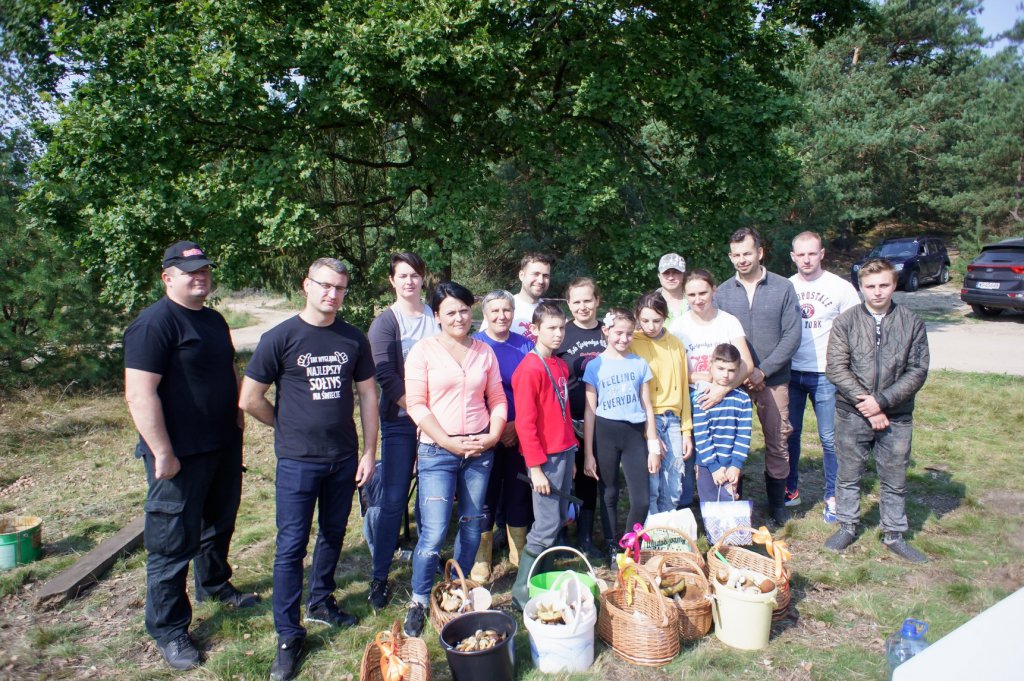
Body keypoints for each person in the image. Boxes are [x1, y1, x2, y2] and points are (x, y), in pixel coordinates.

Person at [238, 258, 378, 681]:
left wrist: (370, 451)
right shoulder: (280, 337)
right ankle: (288, 634)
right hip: (298, 461)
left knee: (334, 534)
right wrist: (283, 422)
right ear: (307, 286)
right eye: (324, 285)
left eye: (339, 288)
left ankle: (321, 601)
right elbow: (250, 398)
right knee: (290, 546)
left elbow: (368, 395)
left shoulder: (353, 338)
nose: (331, 294)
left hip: (343, 458)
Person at [124, 241, 256, 672]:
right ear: (167, 277)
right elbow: (139, 393)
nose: (200, 277)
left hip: (221, 445)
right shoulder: (154, 324)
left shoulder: (215, 320)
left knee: (219, 524)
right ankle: (168, 628)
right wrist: (162, 450)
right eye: (189, 271)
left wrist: (238, 416)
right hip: (178, 455)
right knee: (171, 543)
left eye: (204, 270)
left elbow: (228, 370)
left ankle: (215, 585)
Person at [401, 281, 508, 637]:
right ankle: (418, 599)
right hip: (437, 450)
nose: (459, 317)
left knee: (473, 523)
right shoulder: (423, 352)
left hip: (479, 450)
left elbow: (497, 398)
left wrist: (493, 434)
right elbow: (416, 403)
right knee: (432, 531)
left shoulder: (483, 352)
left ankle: (456, 588)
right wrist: (447, 441)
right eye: (450, 311)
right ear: (437, 316)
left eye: (464, 309)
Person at [824, 258, 930, 563]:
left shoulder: (911, 322)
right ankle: (847, 524)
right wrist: (867, 403)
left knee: (894, 474)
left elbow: (918, 369)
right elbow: (836, 367)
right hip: (853, 412)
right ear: (861, 288)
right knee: (848, 473)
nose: (877, 292)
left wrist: (882, 401)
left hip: (896, 413)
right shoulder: (846, 322)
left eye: (884, 285)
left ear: (894, 285)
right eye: (870, 286)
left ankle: (894, 533)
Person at [366, 252, 438, 610]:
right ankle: (379, 576)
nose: (409, 281)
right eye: (402, 275)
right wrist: (417, 409)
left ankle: (427, 565)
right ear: (392, 281)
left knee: (431, 495)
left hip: (437, 422)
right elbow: (384, 374)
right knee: (394, 498)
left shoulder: (434, 315)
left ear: (423, 278)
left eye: (415, 274)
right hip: (400, 421)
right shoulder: (386, 323)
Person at [715, 227, 801, 525]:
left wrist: (763, 370)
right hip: (733, 381)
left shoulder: (782, 287)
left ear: (760, 252)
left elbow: (792, 335)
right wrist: (738, 374)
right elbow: (719, 339)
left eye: (747, 253)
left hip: (772, 379)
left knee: (777, 439)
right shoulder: (723, 292)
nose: (742, 260)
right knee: (728, 440)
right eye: (736, 255)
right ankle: (730, 499)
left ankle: (777, 503)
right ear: (730, 257)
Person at [787, 232, 862, 522]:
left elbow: (856, 330)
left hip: (827, 375)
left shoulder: (840, 288)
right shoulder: (786, 286)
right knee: (789, 435)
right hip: (791, 373)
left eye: (811, 253)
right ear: (793, 257)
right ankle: (790, 489)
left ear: (822, 254)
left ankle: (833, 495)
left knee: (830, 438)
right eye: (800, 254)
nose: (806, 259)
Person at [509, 302, 578, 608]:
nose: (558, 334)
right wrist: (535, 468)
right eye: (551, 328)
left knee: (560, 517)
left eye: (562, 327)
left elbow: (562, 415)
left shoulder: (560, 366)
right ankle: (521, 590)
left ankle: (542, 579)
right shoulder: (530, 369)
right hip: (545, 459)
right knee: (546, 524)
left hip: (565, 452)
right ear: (535, 330)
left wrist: (572, 453)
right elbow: (525, 424)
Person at [582, 308, 659, 567]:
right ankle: (613, 545)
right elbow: (590, 411)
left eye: (628, 334)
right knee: (609, 492)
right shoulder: (595, 365)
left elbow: (647, 405)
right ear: (606, 331)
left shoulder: (639, 363)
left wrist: (653, 442)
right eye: (618, 333)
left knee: (641, 499)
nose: (624, 339)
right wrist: (589, 453)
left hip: (634, 433)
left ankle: (629, 543)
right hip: (605, 432)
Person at [470, 290, 534, 581]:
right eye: (494, 311)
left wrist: (516, 424)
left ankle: (518, 549)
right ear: (485, 315)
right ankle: (482, 555)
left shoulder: (526, 345)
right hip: (484, 433)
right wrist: (496, 429)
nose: (501, 316)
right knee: (485, 493)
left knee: (518, 491)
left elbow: (535, 390)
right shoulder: (474, 345)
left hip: (520, 431)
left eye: (506, 310)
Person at [631, 290, 695, 513]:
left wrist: (687, 430)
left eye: (656, 320)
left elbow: (684, 390)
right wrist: (649, 433)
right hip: (647, 419)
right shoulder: (632, 344)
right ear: (638, 317)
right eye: (645, 320)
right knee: (652, 481)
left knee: (674, 480)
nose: (651, 326)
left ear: (665, 317)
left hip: (674, 419)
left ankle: (668, 529)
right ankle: (651, 533)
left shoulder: (676, 344)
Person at [557, 277, 606, 556]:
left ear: (597, 300)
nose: (583, 306)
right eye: (576, 301)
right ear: (569, 304)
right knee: (563, 477)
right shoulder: (562, 333)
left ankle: (586, 536)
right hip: (567, 418)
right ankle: (562, 534)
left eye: (588, 300)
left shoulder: (607, 333)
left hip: (601, 421)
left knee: (590, 476)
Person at [692, 344, 753, 505]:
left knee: (731, 506)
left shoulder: (743, 400)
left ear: (739, 370)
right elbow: (701, 436)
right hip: (707, 465)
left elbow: (743, 436)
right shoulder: (701, 398)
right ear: (710, 365)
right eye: (721, 368)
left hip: (732, 464)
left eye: (731, 370)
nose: (726, 375)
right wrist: (713, 467)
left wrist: (736, 465)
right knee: (711, 507)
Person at [480, 252, 555, 340]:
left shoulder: (553, 312)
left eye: (545, 276)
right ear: (521, 275)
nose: (541, 280)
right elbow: (483, 343)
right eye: (536, 274)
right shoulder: (503, 307)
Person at [656, 252, 689, 341]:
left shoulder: (695, 299)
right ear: (659, 276)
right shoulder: (649, 303)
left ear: (684, 275)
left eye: (676, 272)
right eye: (666, 273)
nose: (671, 277)